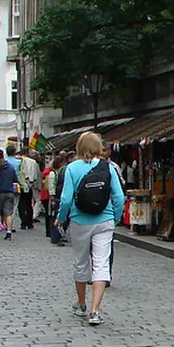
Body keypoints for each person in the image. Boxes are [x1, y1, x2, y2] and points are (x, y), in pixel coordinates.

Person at [56, 131, 125, 327]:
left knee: (81, 262)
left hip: (80, 221)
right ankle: (95, 310)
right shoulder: (108, 167)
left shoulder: (72, 168)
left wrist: (61, 218)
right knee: (101, 264)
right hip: (104, 220)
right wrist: (115, 218)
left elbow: (66, 199)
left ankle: (81, 304)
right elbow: (119, 197)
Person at [0, 147, 19, 240]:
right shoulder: (10, 167)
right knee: (8, 213)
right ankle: (8, 232)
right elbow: (15, 179)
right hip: (9, 192)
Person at [18, 148, 40, 230]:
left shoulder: (19, 160)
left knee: (21, 204)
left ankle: (23, 223)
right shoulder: (33, 162)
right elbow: (35, 174)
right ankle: (29, 222)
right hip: (30, 184)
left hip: (21, 184)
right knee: (29, 204)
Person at [42, 154, 58, 238]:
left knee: (48, 213)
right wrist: (52, 196)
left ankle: (48, 231)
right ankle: (49, 231)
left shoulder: (47, 172)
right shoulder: (51, 173)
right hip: (48, 195)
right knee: (49, 214)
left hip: (45, 195)